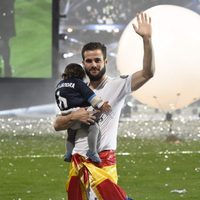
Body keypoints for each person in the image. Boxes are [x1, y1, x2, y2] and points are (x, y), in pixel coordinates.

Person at [53, 12, 155, 200]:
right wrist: (74, 117)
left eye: (97, 60)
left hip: (104, 163)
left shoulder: (118, 85)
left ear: (105, 62)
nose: (94, 65)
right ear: (83, 63)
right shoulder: (75, 90)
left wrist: (147, 40)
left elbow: (148, 73)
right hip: (78, 163)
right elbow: (57, 124)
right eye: (89, 61)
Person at [55, 63, 111, 163]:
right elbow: (90, 96)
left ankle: (68, 153)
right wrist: (101, 105)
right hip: (78, 112)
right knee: (94, 129)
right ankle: (92, 151)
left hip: (65, 113)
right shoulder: (78, 83)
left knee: (71, 134)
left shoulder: (59, 84)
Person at [0, 0, 16, 77]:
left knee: (4, 43)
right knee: (4, 43)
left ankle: (7, 68)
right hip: (6, 17)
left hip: (5, 17)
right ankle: (7, 68)